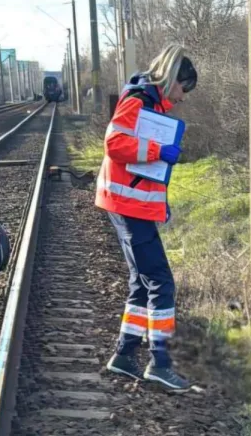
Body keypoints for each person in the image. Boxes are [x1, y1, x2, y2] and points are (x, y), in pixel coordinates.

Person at [98, 45, 197, 392]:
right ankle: (160, 362)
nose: (183, 98)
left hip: (131, 204)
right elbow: (114, 144)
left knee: (142, 281)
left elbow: (145, 171)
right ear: (173, 80)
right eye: (184, 89)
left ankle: (125, 355)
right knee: (161, 283)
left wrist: (159, 204)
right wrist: (158, 151)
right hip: (127, 206)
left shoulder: (149, 103)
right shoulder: (138, 100)